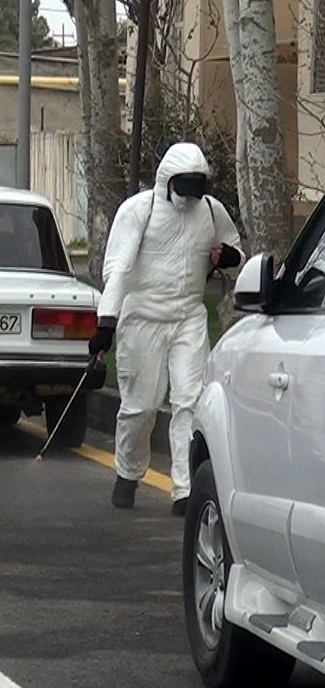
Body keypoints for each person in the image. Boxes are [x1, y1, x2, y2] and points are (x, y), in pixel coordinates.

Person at [89, 141, 242, 515]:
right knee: (140, 407)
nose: (189, 197)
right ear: (167, 180)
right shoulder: (139, 211)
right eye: (184, 187)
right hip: (142, 318)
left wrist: (229, 256)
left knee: (189, 402)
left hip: (189, 316)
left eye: (196, 187)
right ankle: (127, 473)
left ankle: (185, 490)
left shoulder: (210, 210)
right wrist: (106, 323)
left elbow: (235, 250)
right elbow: (120, 269)